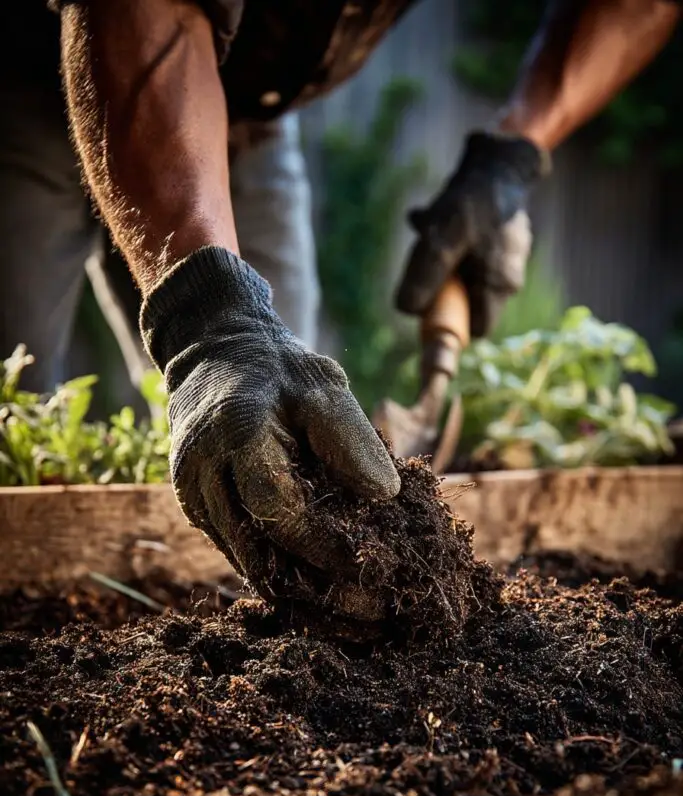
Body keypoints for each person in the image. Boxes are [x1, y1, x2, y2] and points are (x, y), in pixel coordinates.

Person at [51, 0, 680, 588]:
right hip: (67, 57)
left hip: (252, 100)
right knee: (23, 396)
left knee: (270, 432)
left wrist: (516, 153)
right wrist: (211, 323)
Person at [1, 6, 319, 395]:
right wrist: (221, 319)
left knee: (282, 384)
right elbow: (156, 19)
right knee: (14, 384)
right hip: (35, 74)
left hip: (249, 103)